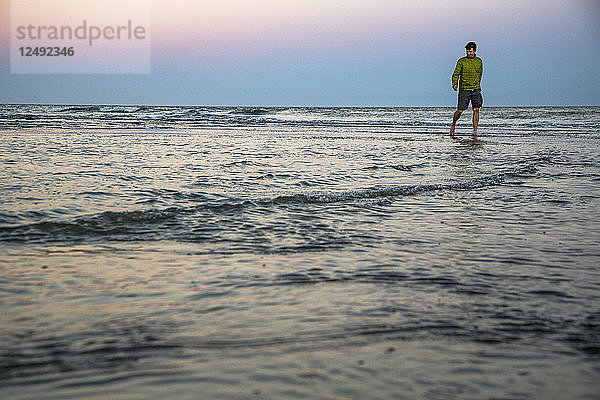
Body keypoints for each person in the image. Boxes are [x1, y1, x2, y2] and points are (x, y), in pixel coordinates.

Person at [450, 42, 483, 136]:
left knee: (476, 109)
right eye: (468, 51)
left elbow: (480, 74)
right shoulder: (461, 61)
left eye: (471, 51)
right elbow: (455, 74)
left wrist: (477, 85)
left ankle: (475, 131)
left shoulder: (479, 61)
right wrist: (455, 84)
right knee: (460, 110)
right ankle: (453, 124)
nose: (469, 53)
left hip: (476, 89)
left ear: (475, 51)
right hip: (464, 89)